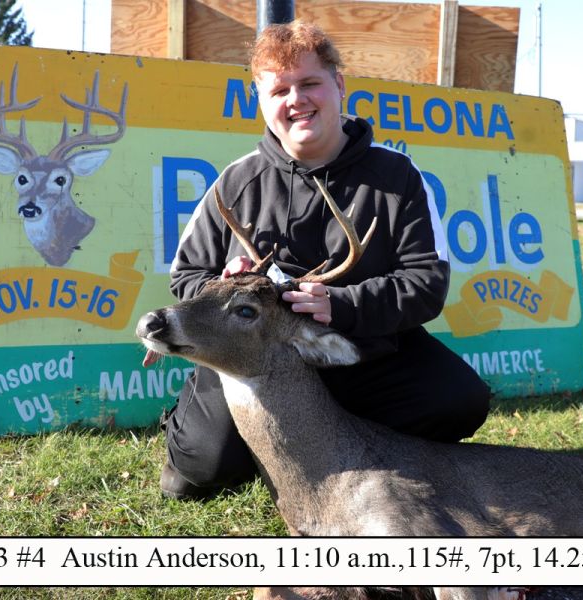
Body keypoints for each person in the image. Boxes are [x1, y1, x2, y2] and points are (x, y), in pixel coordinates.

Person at [145, 20, 491, 500]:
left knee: (459, 400)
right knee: (204, 468)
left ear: (339, 85)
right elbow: (187, 275)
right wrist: (221, 286)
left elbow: (426, 282)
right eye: (279, 90)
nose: (296, 100)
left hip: (359, 351)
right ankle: (204, 438)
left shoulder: (396, 176)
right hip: (255, 361)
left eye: (309, 83)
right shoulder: (237, 181)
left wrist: (343, 305)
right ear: (262, 102)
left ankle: (342, 450)